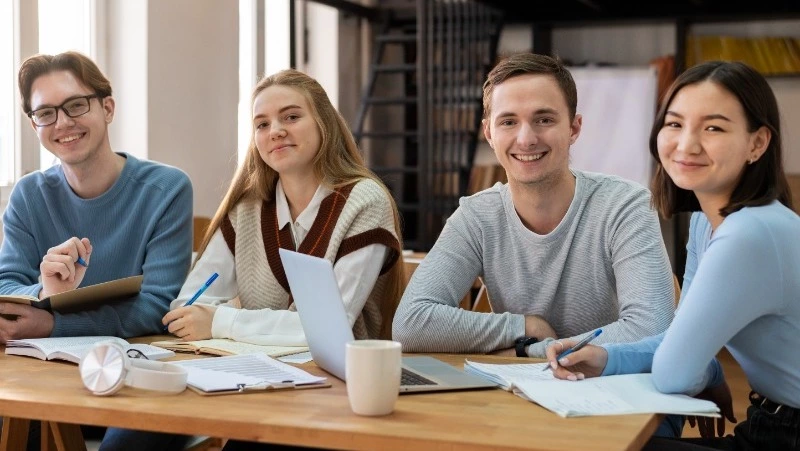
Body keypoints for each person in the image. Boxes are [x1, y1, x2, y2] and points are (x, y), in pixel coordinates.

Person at [545, 61, 800, 451]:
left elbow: (673, 373)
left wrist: (705, 369)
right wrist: (606, 357)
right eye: (675, 124)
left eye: (713, 128)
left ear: (757, 143)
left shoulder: (749, 234)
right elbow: (678, 339)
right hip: (770, 422)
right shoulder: (706, 222)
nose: (687, 144)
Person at [392, 52, 675, 359]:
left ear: (574, 128)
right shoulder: (477, 217)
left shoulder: (625, 206)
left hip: (614, 386)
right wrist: (523, 326)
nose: (526, 139)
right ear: (489, 133)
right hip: (519, 388)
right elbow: (410, 324)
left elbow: (651, 328)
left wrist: (530, 351)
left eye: (544, 120)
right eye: (508, 122)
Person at [0, 51, 193, 450]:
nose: (62, 123)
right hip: (48, 380)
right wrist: (46, 292)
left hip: (138, 381)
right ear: (35, 125)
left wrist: (52, 323)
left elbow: (156, 307)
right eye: (46, 113)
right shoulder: (28, 195)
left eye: (75, 105)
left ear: (107, 108)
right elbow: (6, 287)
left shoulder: (167, 189)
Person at [162, 68, 404, 348]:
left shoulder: (366, 202)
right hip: (257, 370)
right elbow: (187, 306)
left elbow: (328, 327)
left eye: (291, 117)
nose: (275, 131)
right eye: (262, 124)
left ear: (324, 123)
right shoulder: (246, 208)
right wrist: (202, 315)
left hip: (345, 373)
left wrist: (222, 321)